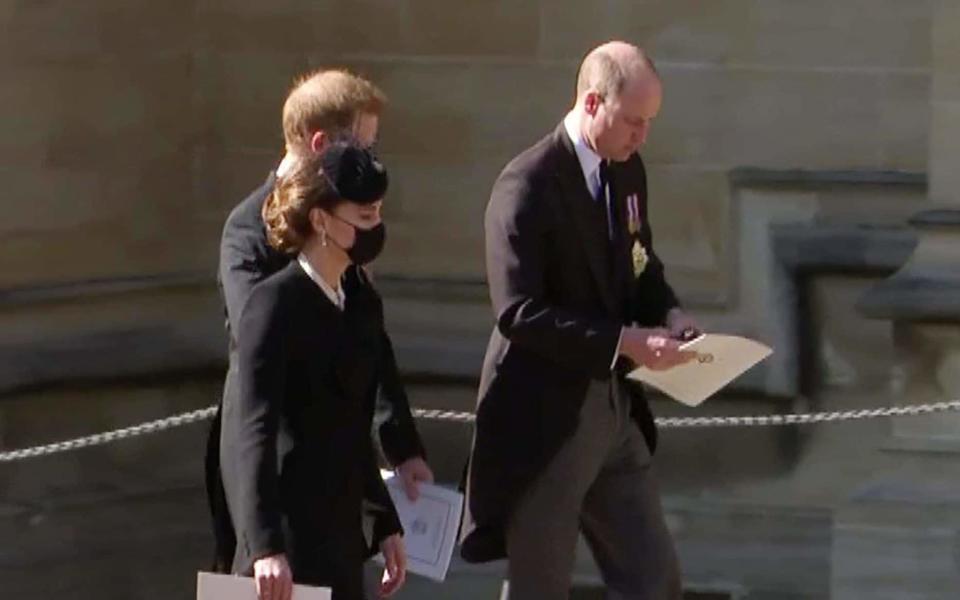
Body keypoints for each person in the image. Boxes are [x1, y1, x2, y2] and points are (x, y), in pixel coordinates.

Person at [460, 41, 700, 599]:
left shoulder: (627, 171)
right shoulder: (527, 185)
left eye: (649, 123)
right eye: (633, 121)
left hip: (615, 411)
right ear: (592, 103)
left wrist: (669, 311)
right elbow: (517, 312)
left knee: (654, 577)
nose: (642, 135)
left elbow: (639, 264)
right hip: (547, 418)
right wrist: (623, 341)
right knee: (539, 585)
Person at [205, 69, 433, 572]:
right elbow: (260, 352)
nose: (370, 161)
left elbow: (370, 347)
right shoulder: (247, 231)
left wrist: (400, 445)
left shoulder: (350, 224)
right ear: (321, 144)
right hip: (272, 447)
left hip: (333, 446)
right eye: (362, 146)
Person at [222, 143, 406, 600]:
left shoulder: (361, 304)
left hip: (341, 532)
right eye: (363, 217)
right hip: (288, 538)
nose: (375, 227)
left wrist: (383, 518)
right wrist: (263, 545)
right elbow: (254, 431)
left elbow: (355, 424)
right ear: (321, 220)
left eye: (378, 213)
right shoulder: (273, 306)